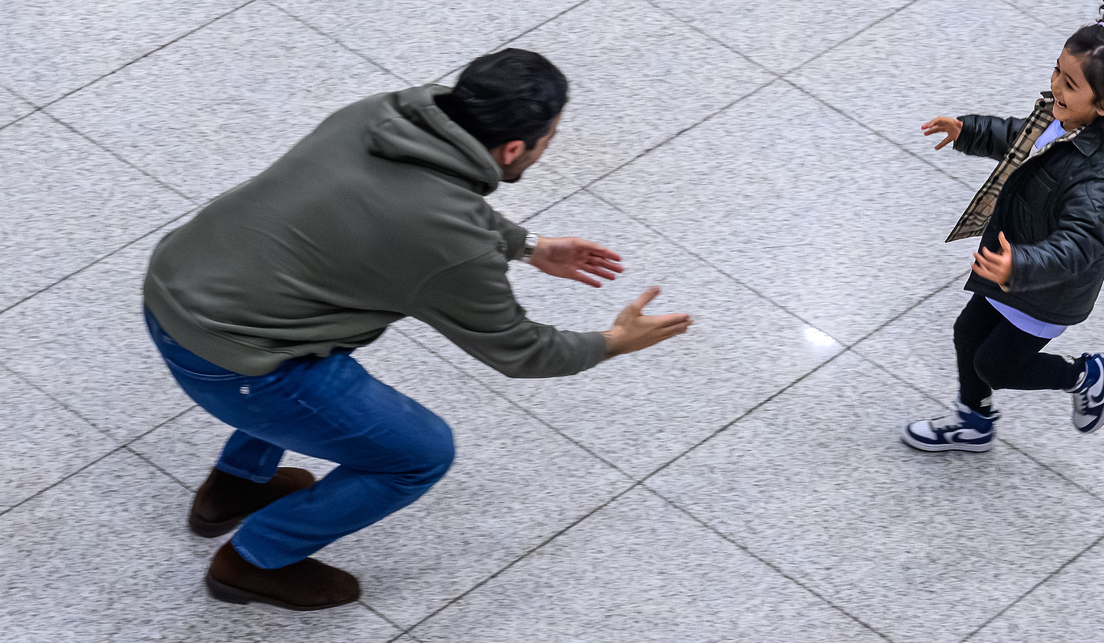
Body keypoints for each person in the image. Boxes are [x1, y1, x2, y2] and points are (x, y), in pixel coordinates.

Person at [143, 49, 692, 610]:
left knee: (311, 352)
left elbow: (428, 203)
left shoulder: (383, 115)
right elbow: (521, 350)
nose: (550, 145)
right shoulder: (453, 246)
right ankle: (252, 560)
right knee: (419, 453)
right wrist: (612, 343)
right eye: (550, 137)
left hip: (179, 282)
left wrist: (529, 247)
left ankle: (238, 484)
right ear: (512, 149)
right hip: (231, 359)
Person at [902, 2, 1104, 453]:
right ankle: (974, 423)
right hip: (1014, 265)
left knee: (997, 366)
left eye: (1069, 84)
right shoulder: (1061, 117)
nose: (1055, 87)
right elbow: (1017, 136)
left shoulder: (1096, 176)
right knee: (967, 334)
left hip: (1048, 287)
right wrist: (967, 131)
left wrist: (1020, 266)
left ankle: (1086, 374)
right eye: (1056, 72)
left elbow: (1080, 244)